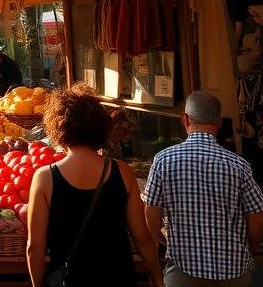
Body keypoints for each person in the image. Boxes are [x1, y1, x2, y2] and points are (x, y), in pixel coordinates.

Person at [26, 85, 162, 287]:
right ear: (100, 127)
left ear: (58, 128)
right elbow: (142, 238)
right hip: (118, 277)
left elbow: (35, 247)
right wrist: (158, 277)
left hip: (70, 279)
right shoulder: (122, 172)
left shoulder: (45, 178)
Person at [144, 91, 263, 287]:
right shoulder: (240, 165)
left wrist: (164, 242)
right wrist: (247, 248)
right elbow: (257, 219)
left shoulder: (163, 160)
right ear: (218, 123)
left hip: (182, 273)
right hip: (234, 274)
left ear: (185, 120)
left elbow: (151, 213)